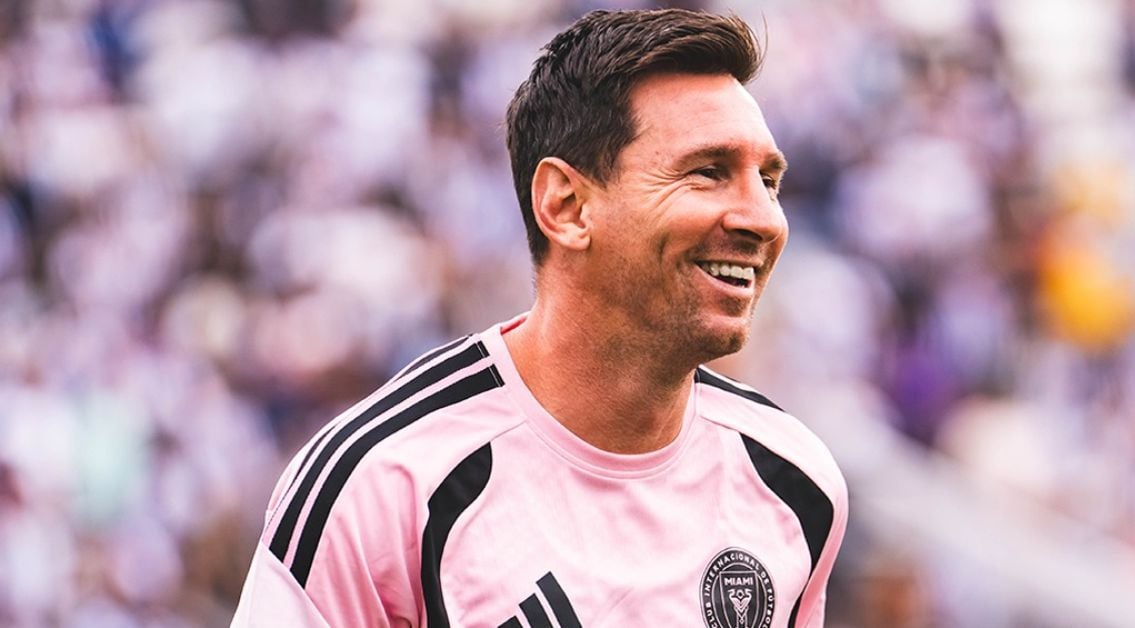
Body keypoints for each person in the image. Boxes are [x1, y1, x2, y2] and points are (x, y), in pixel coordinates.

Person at [232, 8, 847, 627]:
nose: (763, 219)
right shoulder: (381, 487)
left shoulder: (795, 480)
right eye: (708, 172)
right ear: (567, 206)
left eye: (768, 181)